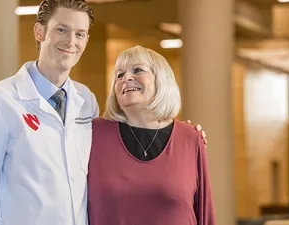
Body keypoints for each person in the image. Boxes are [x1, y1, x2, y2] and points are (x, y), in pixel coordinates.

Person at [0, 1, 207, 225]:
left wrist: (178, 135)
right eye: (61, 30)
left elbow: (121, 145)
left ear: (86, 39)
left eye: (79, 34)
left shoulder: (86, 101)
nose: (71, 41)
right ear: (40, 32)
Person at [87, 45, 216, 225]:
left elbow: (205, 213)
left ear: (161, 80)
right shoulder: (93, 135)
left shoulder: (191, 139)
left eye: (138, 70)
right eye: (119, 75)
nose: (127, 78)